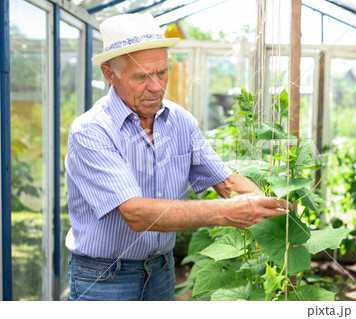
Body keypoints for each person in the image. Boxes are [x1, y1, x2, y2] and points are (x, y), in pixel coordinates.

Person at [65, 12, 290, 301]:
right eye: (142, 76)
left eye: (162, 72)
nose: (157, 86)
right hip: (106, 278)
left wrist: (273, 208)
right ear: (110, 74)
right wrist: (227, 213)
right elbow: (136, 213)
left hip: (162, 271)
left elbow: (226, 182)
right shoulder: (91, 130)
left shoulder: (179, 120)